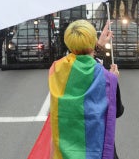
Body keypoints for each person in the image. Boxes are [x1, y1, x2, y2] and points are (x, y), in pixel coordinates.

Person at [49, 20, 124, 159]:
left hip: (65, 149)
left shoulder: (57, 69)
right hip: (97, 150)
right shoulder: (106, 77)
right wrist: (113, 82)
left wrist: (99, 47)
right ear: (93, 42)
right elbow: (117, 111)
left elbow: (83, 65)